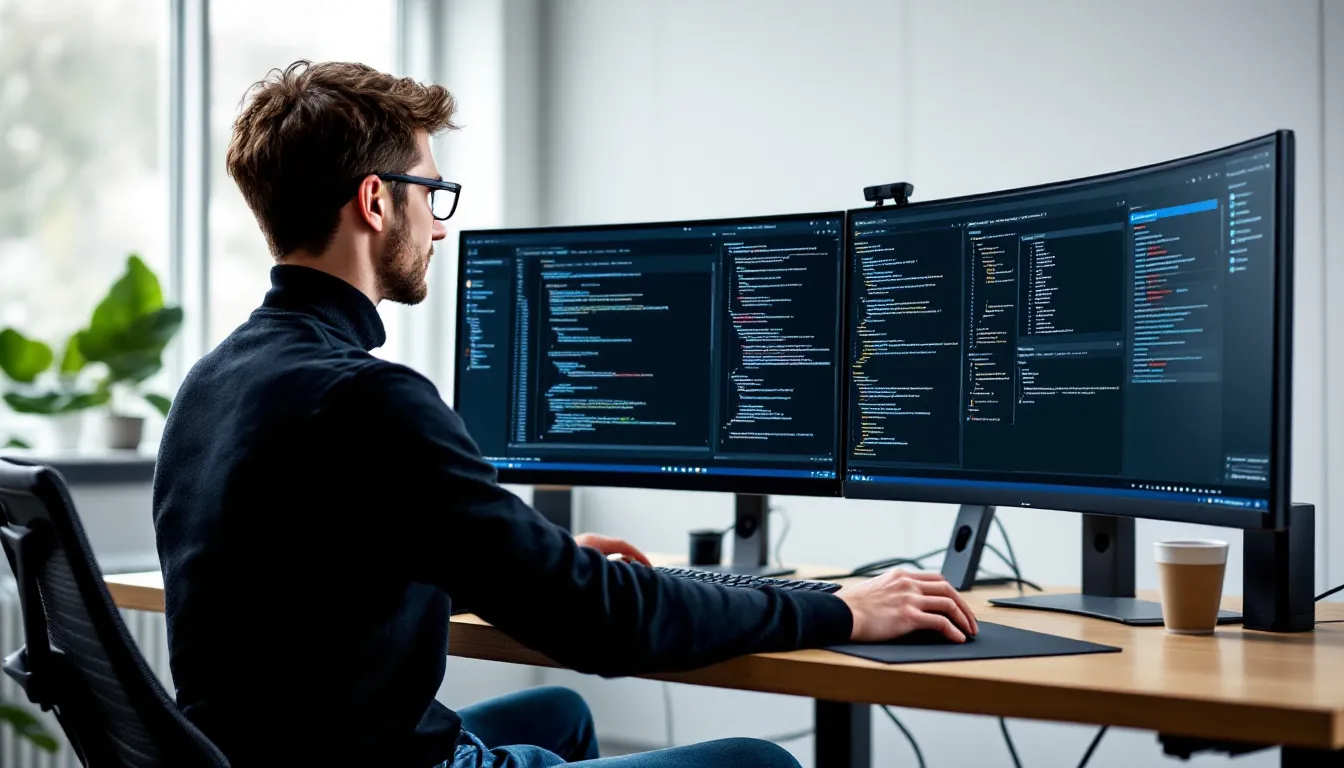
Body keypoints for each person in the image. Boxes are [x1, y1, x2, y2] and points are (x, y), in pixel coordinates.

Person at [152, 59, 978, 768]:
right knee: (761, 761)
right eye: (430, 194)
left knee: (558, 717)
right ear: (375, 201)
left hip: (265, 754)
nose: (440, 228)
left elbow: (314, 582)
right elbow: (603, 625)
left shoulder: (214, 380)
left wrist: (531, 556)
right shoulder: (369, 397)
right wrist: (842, 607)